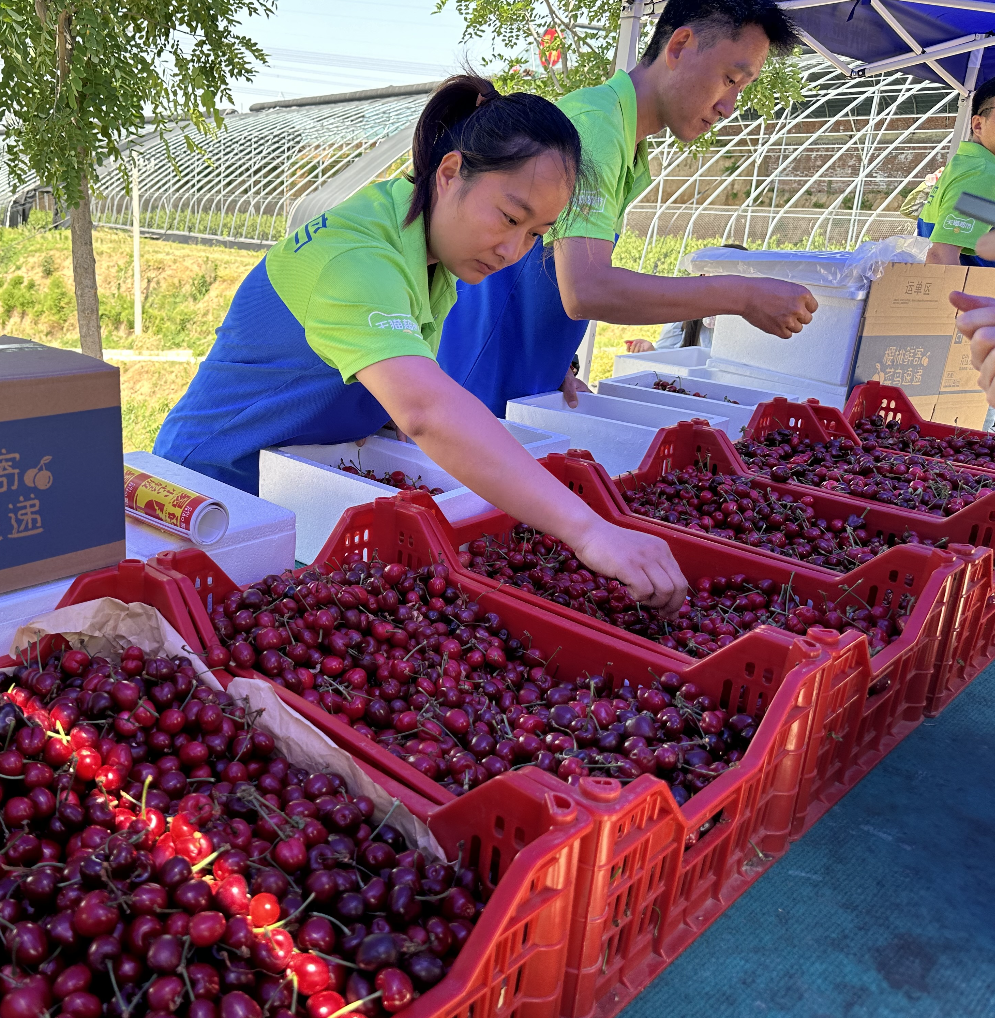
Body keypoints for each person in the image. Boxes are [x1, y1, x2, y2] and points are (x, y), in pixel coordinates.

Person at [153, 76, 688, 612]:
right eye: (508, 217)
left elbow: (412, 384)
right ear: (450, 173)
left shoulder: (429, 255)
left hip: (288, 497)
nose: (513, 249)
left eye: (535, 233)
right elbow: (425, 410)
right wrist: (590, 533)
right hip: (210, 499)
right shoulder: (356, 259)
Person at [437, 0, 817, 413]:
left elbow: (537, 276)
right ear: (680, 46)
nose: (729, 106)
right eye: (729, 79)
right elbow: (587, 289)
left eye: (741, 89)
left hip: (509, 384)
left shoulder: (619, 134)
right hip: (469, 389)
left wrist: (555, 358)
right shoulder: (593, 127)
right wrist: (742, 294)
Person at [920, 78, 995, 267]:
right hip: (973, 293)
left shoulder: (967, 164)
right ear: (978, 125)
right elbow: (941, 256)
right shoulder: (983, 174)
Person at [624, 244, 749, 353]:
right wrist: (651, 351)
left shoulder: (753, 325)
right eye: (708, 277)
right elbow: (668, 356)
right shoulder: (682, 317)